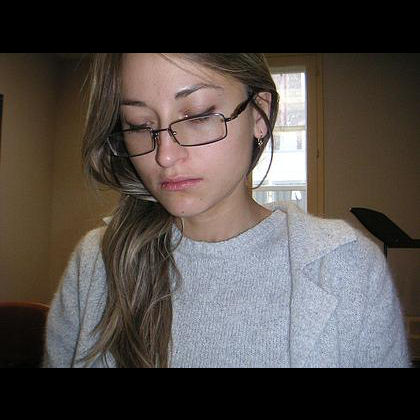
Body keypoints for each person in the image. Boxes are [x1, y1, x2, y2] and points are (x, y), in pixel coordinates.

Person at [43, 53, 410, 368]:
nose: (165, 156)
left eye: (198, 115)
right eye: (140, 126)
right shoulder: (95, 262)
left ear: (260, 114)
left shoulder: (346, 266)